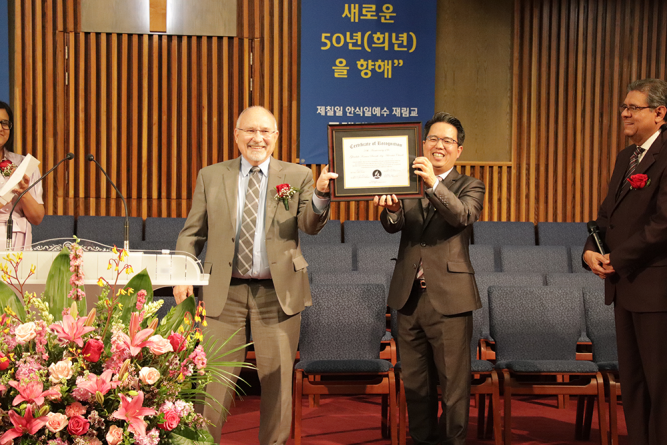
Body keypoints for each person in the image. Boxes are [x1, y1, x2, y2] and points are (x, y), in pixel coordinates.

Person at [173, 105, 337, 445]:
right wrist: (183, 271)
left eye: (265, 131)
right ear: (236, 136)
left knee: (277, 385)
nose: (257, 138)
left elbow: (310, 225)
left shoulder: (298, 176)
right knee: (212, 383)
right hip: (224, 291)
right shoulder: (211, 175)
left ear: (276, 137)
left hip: (277, 295)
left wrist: (321, 193)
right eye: (249, 131)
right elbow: (192, 233)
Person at [374, 112, 485, 445]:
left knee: (453, 387)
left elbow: (461, 215)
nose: (439, 146)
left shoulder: (470, 185)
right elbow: (393, 224)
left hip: (450, 299)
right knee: (416, 385)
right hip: (408, 298)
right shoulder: (404, 179)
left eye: (447, 141)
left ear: (458, 150)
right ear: (423, 143)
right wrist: (391, 209)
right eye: (433, 139)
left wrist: (433, 184)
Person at [583, 78, 667, 445]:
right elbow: (606, 217)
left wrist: (618, 257)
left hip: (656, 289)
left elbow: (663, 224)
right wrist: (590, 248)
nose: (624, 114)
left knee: (661, 384)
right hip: (623, 288)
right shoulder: (626, 157)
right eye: (624, 107)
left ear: (660, 113)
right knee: (632, 382)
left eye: (633, 107)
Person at [0, 101, 44, 250]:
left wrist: (23, 193)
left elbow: (37, 218)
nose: (0, 128)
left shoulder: (24, 165)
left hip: (18, 240)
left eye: (4, 123)